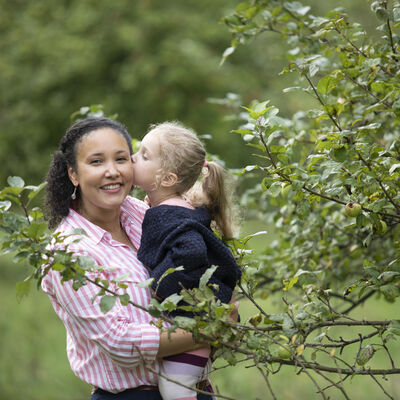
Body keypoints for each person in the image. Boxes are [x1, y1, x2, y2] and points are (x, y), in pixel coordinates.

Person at [42, 117, 230, 400]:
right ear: (73, 174)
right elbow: (121, 344)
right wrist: (212, 329)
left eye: (121, 159)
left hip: (196, 388)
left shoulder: (145, 213)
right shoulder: (68, 253)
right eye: (96, 162)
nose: (112, 171)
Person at [132, 121, 241, 400]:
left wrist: (160, 283)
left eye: (144, 155)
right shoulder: (174, 207)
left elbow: (191, 251)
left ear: (166, 179)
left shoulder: (167, 213)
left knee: (174, 391)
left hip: (192, 325)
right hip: (196, 320)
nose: (132, 159)